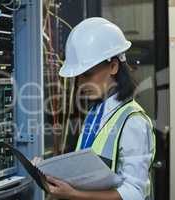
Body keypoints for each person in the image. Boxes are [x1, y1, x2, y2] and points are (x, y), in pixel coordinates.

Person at [44, 17, 156, 200]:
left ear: (113, 66)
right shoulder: (97, 113)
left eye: (87, 74)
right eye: (78, 77)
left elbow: (135, 192)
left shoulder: (133, 121)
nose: (80, 83)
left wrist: (73, 194)